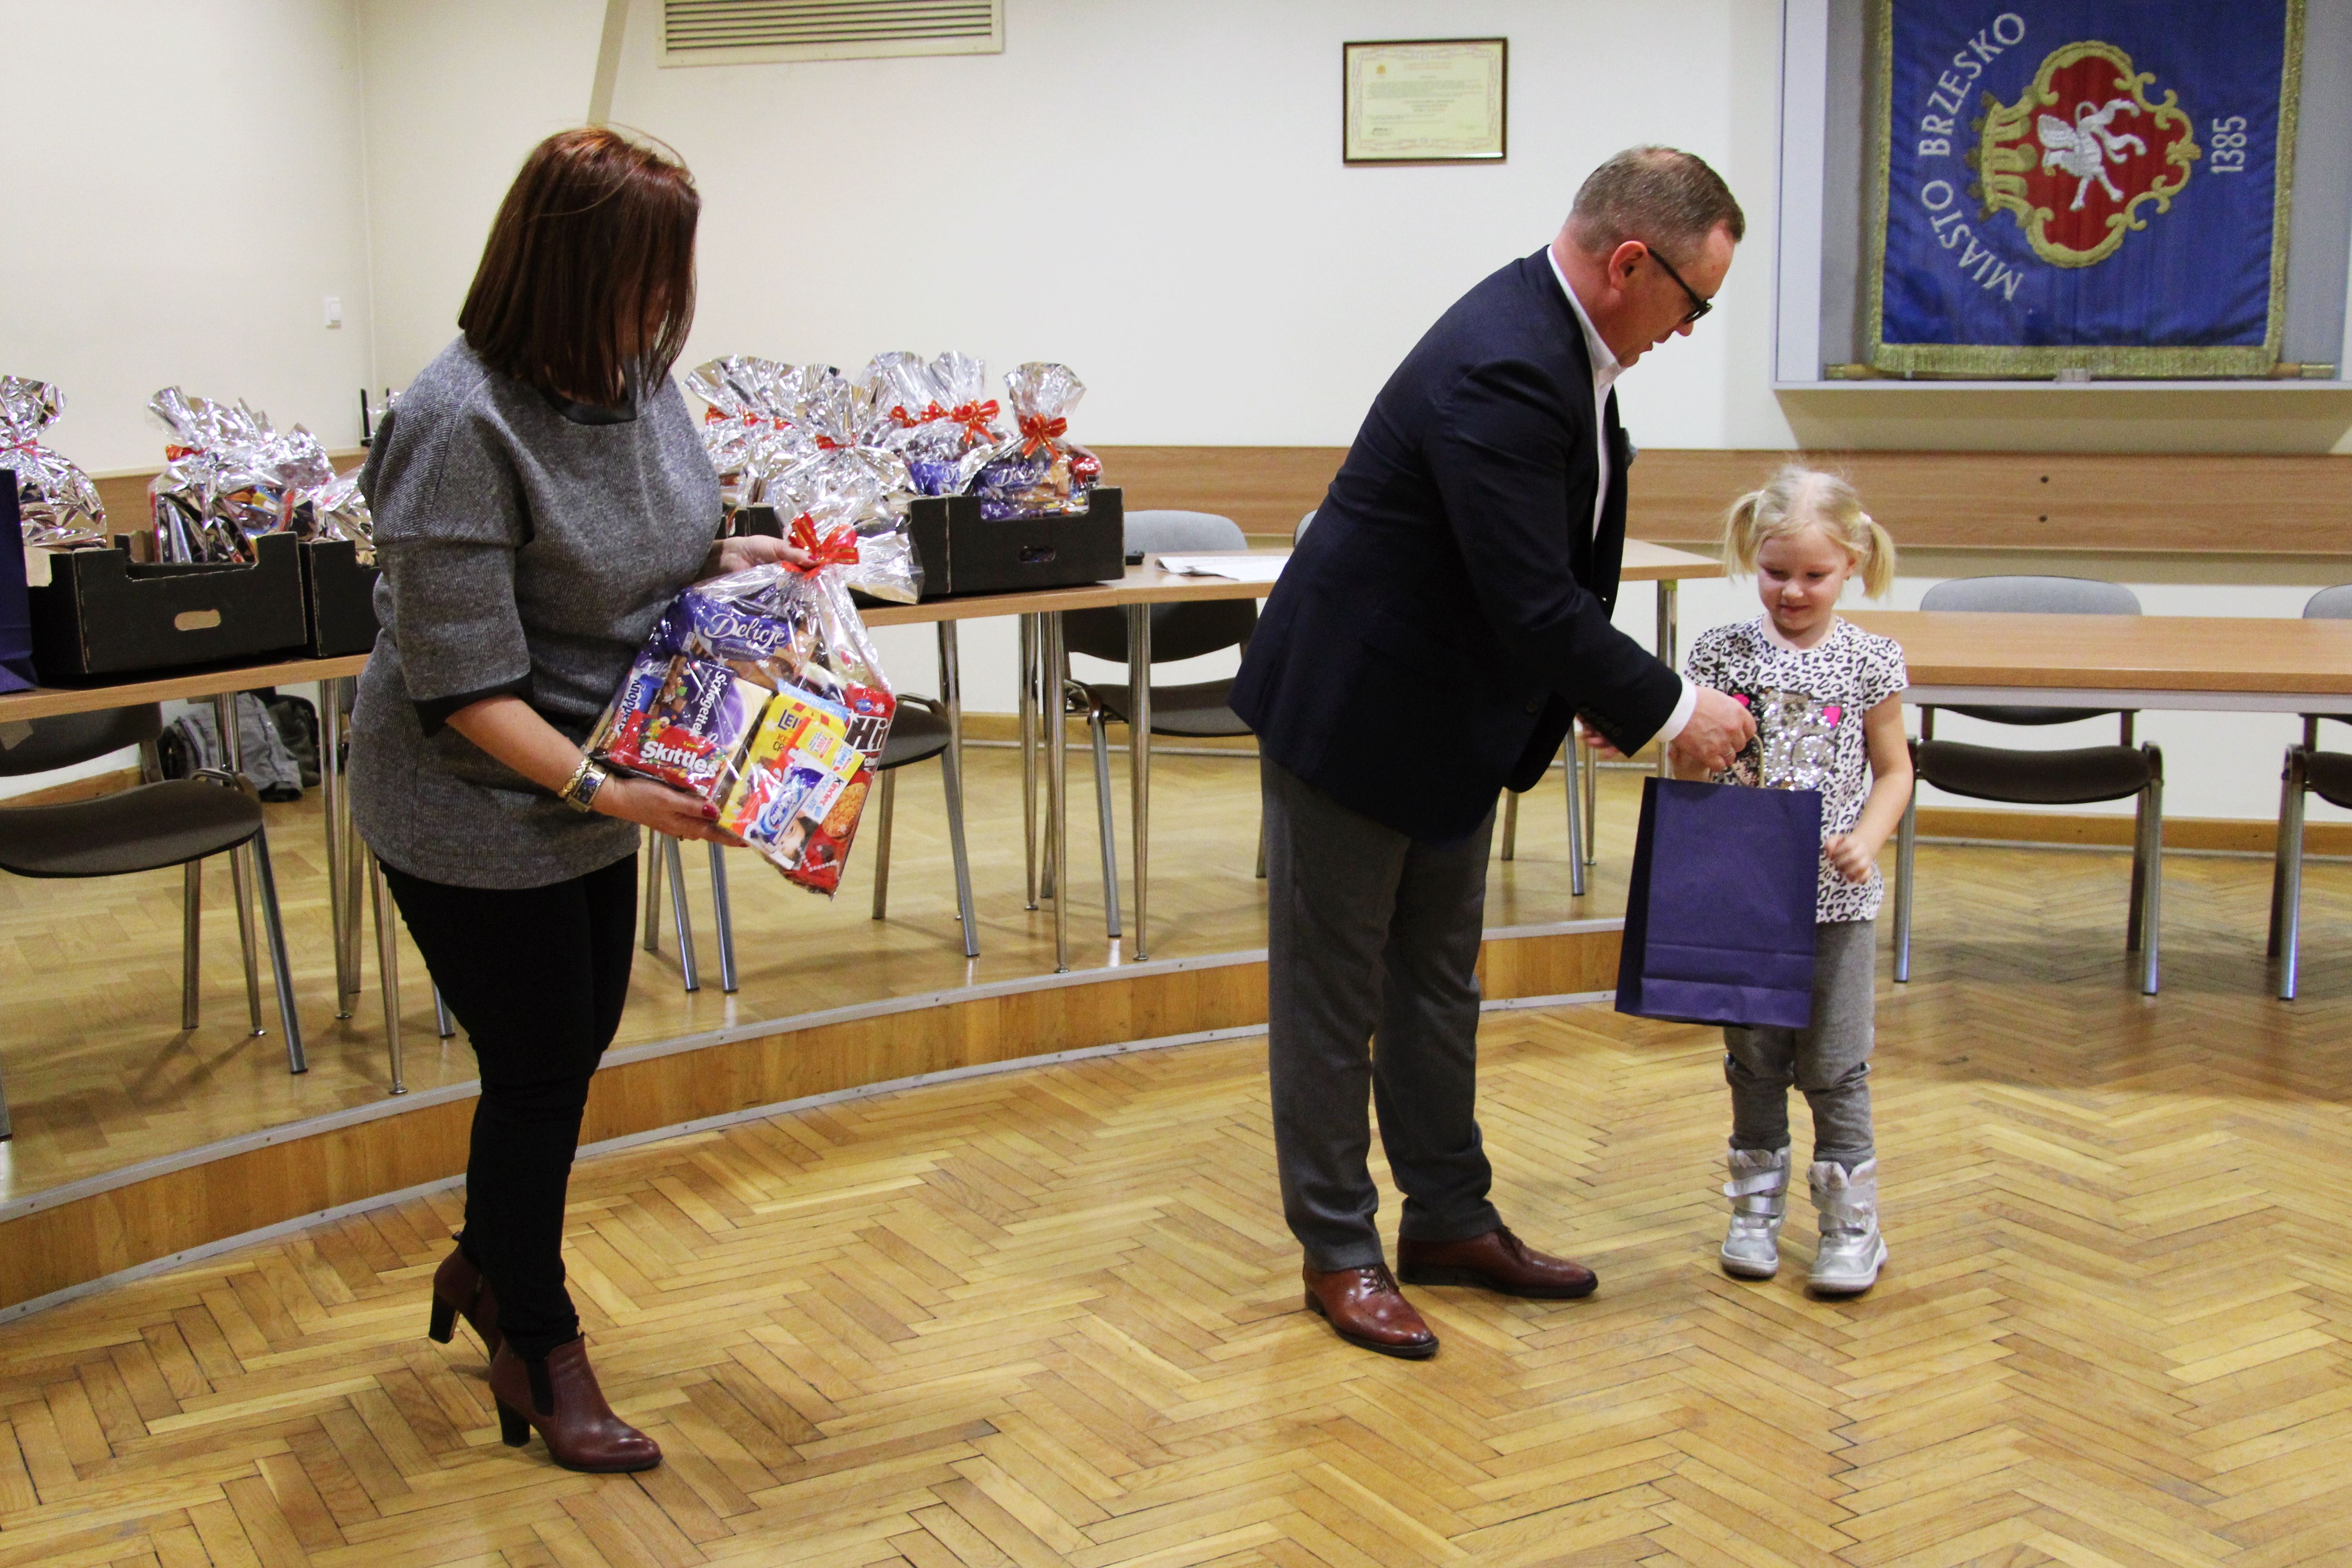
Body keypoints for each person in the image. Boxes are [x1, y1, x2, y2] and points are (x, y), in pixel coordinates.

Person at [1231, 147, 1761, 1358]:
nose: (1689, 330)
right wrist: (1670, 710)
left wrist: (1591, 688)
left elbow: (1531, 575)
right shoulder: (1507, 358)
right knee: (1333, 998)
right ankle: (1340, 1248)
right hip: (1354, 718)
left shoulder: (1562, 342)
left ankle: (1450, 1218)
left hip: (1450, 718)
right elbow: (1530, 597)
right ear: (1632, 264)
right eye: (1693, 303)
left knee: (1435, 985)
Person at [349, 127, 804, 1471]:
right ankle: (539, 1340)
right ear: (567, 269)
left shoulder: (634, 381)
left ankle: (490, 1266)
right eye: (644, 275)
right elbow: (461, 688)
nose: (664, 304)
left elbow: (638, 553)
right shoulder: (457, 423)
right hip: (473, 798)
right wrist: (609, 791)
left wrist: (733, 556)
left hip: (599, 770)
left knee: (572, 1042)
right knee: (540, 1063)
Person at [1682, 468, 1910, 1294]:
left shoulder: (1871, 660)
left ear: (1851, 564)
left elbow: (1894, 771)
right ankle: (1754, 1210)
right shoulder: (1720, 653)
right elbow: (1689, 768)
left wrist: (1867, 840)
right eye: (1776, 572)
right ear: (1753, 557)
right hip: (1746, 903)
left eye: (1815, 574)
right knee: (1753, 1061)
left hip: (1835, 905)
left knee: (1835, 1064)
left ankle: (1852, 1225)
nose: (1793, 591)